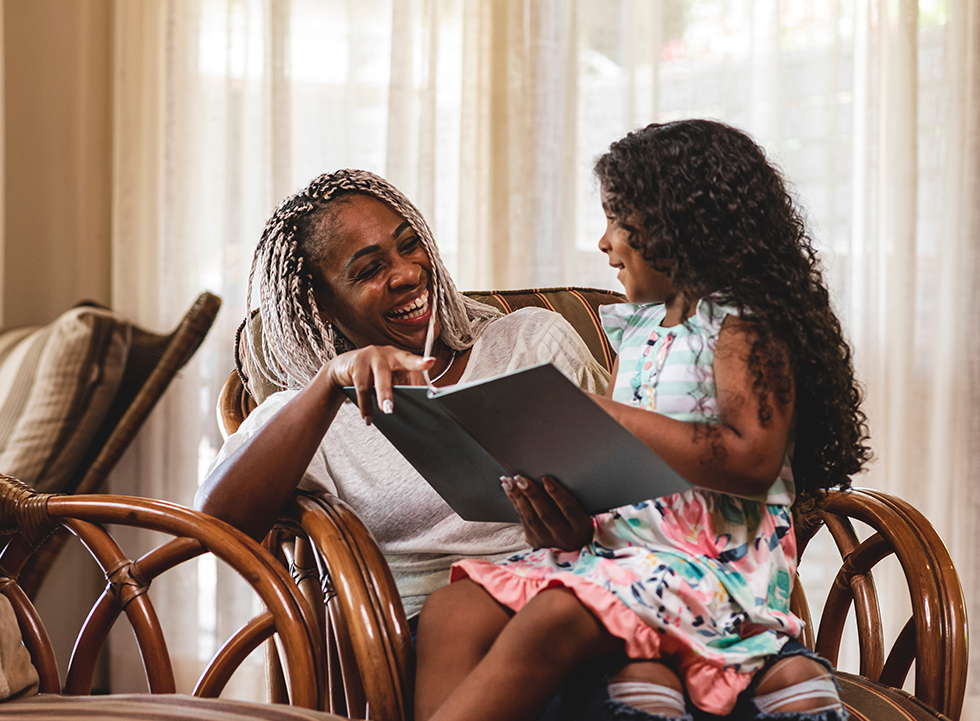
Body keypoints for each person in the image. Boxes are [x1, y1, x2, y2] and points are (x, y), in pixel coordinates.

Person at [413, 120, 870, 721]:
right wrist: (567, 505)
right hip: (624, 554)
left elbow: (752, 459)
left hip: (714, 569)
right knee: (455, 607)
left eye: (616, 219)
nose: (604, 243)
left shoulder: (742, 324)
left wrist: (597, 415)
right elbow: (634, 479)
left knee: (552, 618)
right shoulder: (638, 330)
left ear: (680, 224)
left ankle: (746, 666)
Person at [195, 168, 611, 620]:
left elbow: (631, 487)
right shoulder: (314, 414)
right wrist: (331, 381)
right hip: (421, 636)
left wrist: (581, 534)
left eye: (409, 245)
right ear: (323, 306)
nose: (409, 273)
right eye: (370, 269)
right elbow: (218, 523)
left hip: (574, 601)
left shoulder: (531, 342)